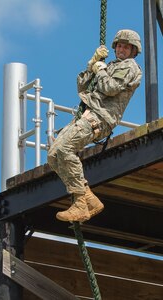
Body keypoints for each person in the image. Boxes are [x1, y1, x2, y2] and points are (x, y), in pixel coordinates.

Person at [47, 29, 142, 223]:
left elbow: (110, 88)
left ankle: (81, 203)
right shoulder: (110, 66)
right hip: (89, 114)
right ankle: (89, 198)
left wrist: (100, 70)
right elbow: (82, 87)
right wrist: (92, 65)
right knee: (54, 155)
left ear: (133, 50)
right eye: (120, 46)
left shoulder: (130, 67)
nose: (122, 49)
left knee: (65, 149)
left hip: (100, 117)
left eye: (126, 46)